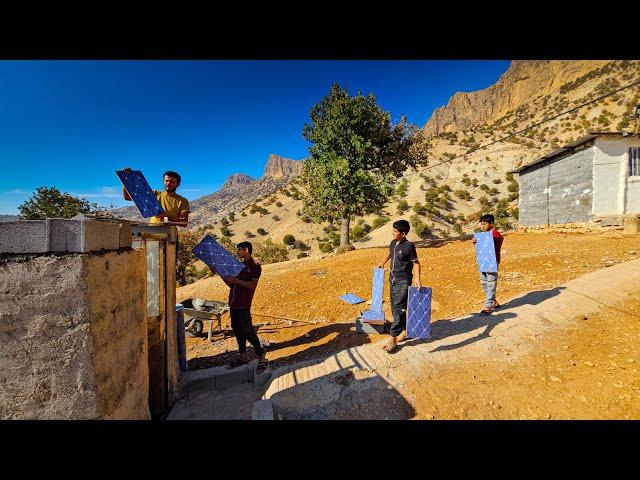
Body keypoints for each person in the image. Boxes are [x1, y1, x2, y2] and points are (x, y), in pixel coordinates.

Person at [210, 241, 269, 372]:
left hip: (243, 303)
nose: (238, 252)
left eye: (239, 250)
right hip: (234, 303)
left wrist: (236, 280)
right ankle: (243, 356)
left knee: (248, 330)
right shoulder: (238, 266)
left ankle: (261, 356)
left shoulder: (255, 266)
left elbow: (252, 285)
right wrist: (219, 272)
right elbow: (231, 284)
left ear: (246, 250)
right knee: (237, 329)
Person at [376, 219, 421, 353]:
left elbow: (416, 263)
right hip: (393, 280)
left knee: (398, 308)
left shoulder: (409, 246)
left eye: (395, 231)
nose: (392, 233)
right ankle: (406, 331)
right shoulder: (393, 243)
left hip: (403, 281)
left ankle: (393, 339)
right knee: (397, 307)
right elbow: (391, 252)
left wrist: (417, 279)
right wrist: (382, 262)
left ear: (403, 233)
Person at [121, 168, 190, 227]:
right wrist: (126, 179)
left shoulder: (182, 201)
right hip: (152, 232)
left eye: (172, 182)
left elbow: (184, 223)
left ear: (177, 184)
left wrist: (167, 218)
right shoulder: (154, 194)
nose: (168, 183)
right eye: (166, 181)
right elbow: (128, 198)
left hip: (170, 235)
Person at [472, 214, 504, 316]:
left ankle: (488, 306)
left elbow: (496, 242)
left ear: (491, 224)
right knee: (483, 283)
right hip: (483, 262)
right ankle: (493, 301)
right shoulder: (483, 235)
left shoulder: (495, 234)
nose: (483, 226)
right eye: (482, 224)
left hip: (492, 263)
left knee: (491, 283)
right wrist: (476, 242)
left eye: (484, 224)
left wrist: (483, 239)